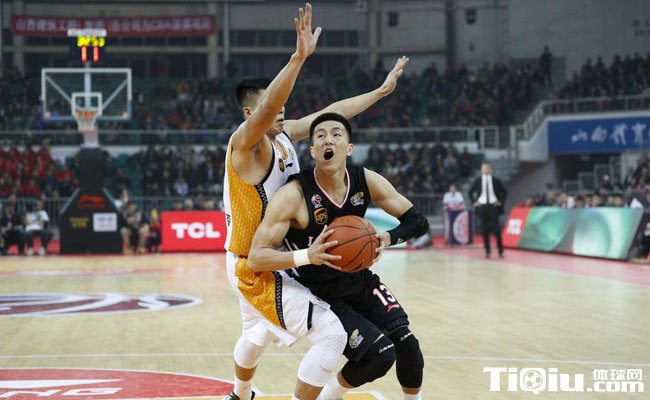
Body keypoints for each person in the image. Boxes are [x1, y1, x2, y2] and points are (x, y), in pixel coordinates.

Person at [222, 4, 410, 400]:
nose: (281, 110)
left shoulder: (282, 134)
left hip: (266, 254)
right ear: (250, 113)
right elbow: (269, 108)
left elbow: (330, 114)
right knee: (331, 334)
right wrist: (298, 58)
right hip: (253, 262)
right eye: (271, 105)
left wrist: (379, 92)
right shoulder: (244, 146)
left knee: (255, 334)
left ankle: (240, 394)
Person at [249, 113, 429, 400]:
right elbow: (256, 258)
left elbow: (417, 221)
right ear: (312, 151)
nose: (328, 140)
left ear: (349, 147)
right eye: (320, 136)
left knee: (408, 345)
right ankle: (329, 395)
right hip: (323, 293)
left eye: (336, 134)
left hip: (361, 281)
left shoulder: (364, 179)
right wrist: (307, 255)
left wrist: (388, 238)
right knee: (381, 355)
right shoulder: (295, 194)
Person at [469, 162, 507, 258]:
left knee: (496, 229)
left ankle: (500, 250)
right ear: (481, 170)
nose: (486, 169)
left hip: (493, 206)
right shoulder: (478, 180)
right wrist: (474, 202)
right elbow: (470, 192)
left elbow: (505, 191)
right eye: (484, 168)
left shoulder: (495, 180)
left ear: (490, 169)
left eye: (487, 168)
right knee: (484, 229)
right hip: (482, 207)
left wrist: (500, 202)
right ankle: (487, 250)